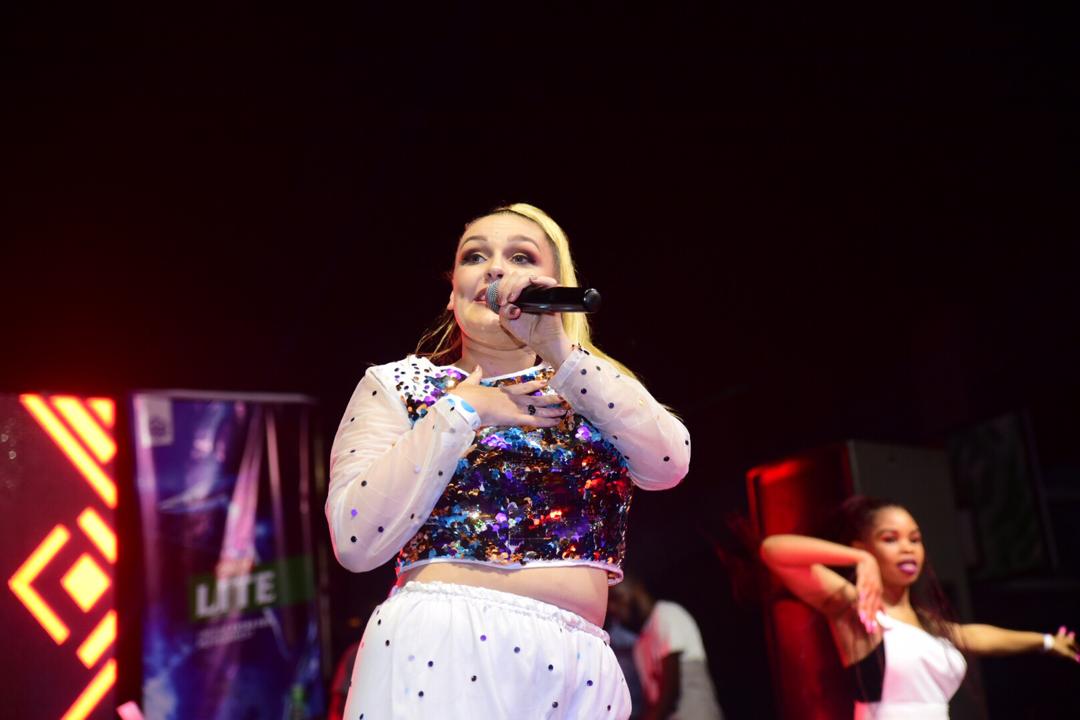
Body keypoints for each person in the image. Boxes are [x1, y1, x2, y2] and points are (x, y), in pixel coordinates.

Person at [326, 203, 691, 719]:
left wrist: (561, 351)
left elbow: (669, 462)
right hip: (441, 648)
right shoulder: (400, 385)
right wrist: (463, 411)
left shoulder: (589, 386)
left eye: (521, 257)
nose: (496, 269)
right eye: (475, 257)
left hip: (579, 665)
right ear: (452, 291)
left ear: (554, 286)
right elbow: (354, 539)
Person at [759, 496, 1079, 719]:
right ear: (863, 546)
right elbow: (772, 550)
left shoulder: (925, 623)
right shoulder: (855, 606)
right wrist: (858, 559)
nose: (907, 548)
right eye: (890, 539)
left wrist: (1046, 642)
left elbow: (973, 636)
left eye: (915, 539)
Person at [608, 573, 724, 720]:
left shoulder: (667, 614)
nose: (614, 608)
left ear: (637, 590)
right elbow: (653, 700)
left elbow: (671, 689)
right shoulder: (639, 646)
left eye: (617, 598)